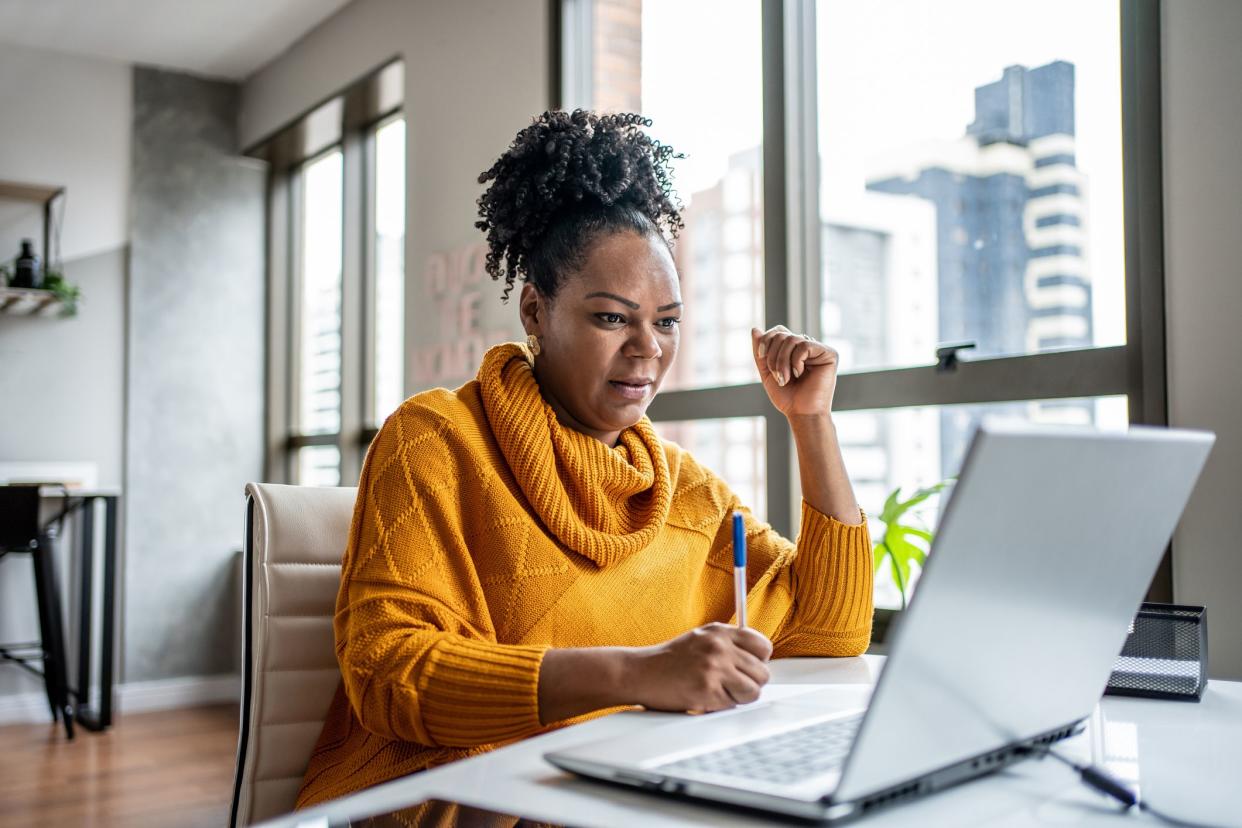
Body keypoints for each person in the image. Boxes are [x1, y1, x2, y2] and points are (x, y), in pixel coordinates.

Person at [295, 110, 872, 808]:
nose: (648, 349)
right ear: (535, 311)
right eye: (611, 317)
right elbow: (387, 673)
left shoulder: (684, 492)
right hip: (472, 805)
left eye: (666, 321)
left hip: (630, 793)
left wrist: (811, 422)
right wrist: (636, 674)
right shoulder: (434, 441)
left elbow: (833, 630)